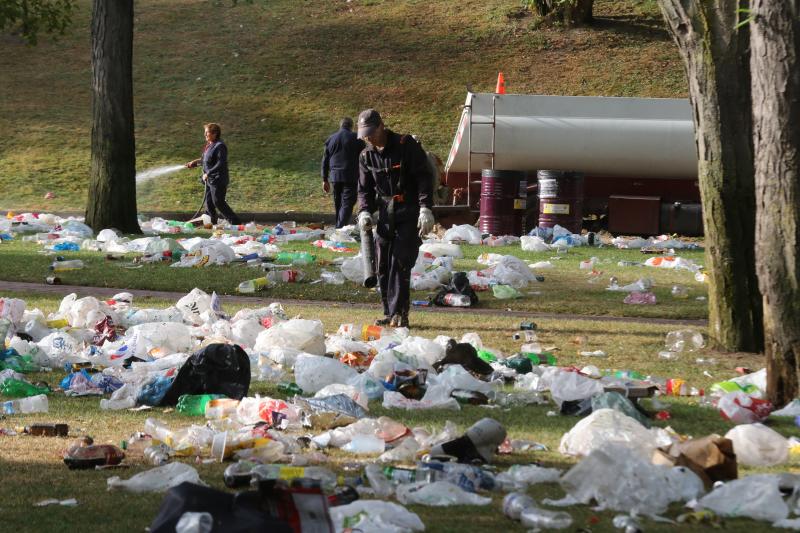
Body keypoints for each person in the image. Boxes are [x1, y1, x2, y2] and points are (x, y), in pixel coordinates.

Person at [356, 109, 435, 328]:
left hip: (408, 211)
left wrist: (425, 208)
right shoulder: (366, 155)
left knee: (400, 262)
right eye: (364, 134)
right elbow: (364, 190)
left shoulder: (405, 145)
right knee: (382, 265)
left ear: (381, 126)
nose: (367, 138)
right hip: (384, 214)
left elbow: (424, 178)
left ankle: (400, 314)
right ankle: (389, 312)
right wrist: (364, 211)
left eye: (370, 132)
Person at [186, 123, 241, 226]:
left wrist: (208, 173)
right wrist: (195, 162)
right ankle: (211, 222)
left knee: (218, 202)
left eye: (207, 132)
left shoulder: (220, 146)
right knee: (209, 203)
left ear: (215, 133)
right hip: (210, 180)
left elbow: (221, 163)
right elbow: (205, 160)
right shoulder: (210, 145)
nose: (205, 135)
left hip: (218, 180)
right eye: (205, 132)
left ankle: (236, 224)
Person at [321, 117, 365, 228]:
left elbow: (325, 160)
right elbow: (364, 157)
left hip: (335, 176)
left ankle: (339, 225)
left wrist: (324, 179)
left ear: (340, 126)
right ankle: (340, 227)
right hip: (351, 175)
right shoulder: (357, 139)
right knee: (348, 202)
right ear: (351, 126)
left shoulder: (331, 139)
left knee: (338, 202)